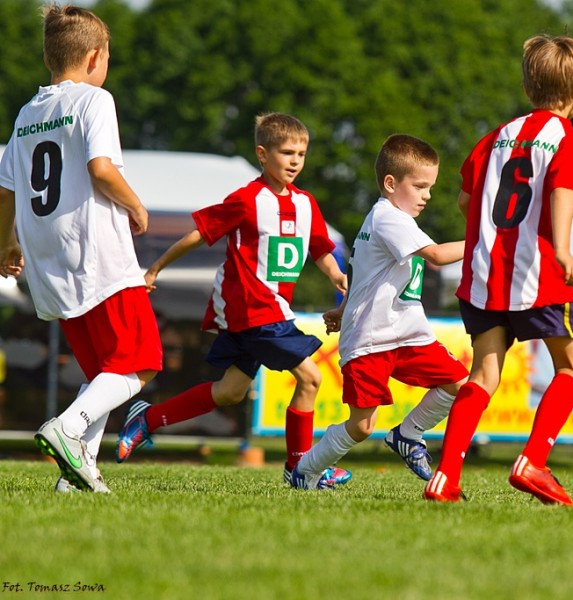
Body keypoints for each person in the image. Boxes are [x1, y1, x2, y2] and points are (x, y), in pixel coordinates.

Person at [115, 113, 351, 486]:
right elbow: (199, 234)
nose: (295, 161)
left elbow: (319, 248)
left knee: (229, 392)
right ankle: (301, 470)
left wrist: (336, 274)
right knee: (310, 377)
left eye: (301, 154)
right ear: (262, 154)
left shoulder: (306, 204)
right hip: (252, 309)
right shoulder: (247, 200)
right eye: (287, 152)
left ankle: (148, 418)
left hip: (264, 313)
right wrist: (154, 268)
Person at [424, 34, 573, 506]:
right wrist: (561, 251)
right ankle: (534, 460)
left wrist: (489, 235)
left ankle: (445, 477)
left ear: (526, 87)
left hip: (482, 277)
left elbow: (465, 198)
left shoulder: (495, 136)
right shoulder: (570, 141)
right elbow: (562, 193)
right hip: (538, 275)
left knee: (483, 376)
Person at [0, 5, 161, 493]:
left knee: (104, 372)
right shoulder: (94, 100)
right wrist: (136, 206)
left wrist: (5, 242)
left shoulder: (29, 112)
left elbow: (7, 190)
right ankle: (67, 430)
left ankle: (77, 475)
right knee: (141, 362)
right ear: (95, 57)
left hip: (51, 259)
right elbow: (101, 169)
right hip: (99, 255)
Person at [290, 134, 469, 490]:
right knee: (361, 426)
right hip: (371, 339)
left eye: (429, 187)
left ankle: (407, 433)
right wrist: (486, 240)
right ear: (391, 183)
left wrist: (343, 308)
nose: (427, 195)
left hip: (406, 332)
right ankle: (305, 471)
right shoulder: (388, 218)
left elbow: (361, 271)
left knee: (458, 383)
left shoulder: (389, 219)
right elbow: (435, 257)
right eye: (419, 186)